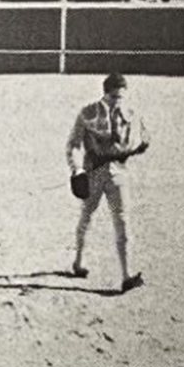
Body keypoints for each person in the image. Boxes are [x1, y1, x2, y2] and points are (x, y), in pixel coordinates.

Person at [66, 73, 150, 293]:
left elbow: (141, 138)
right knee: (86, 216)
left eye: (121, 97)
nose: (117, 102)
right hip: (93, 173)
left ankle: (126, 275)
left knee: (122, 221)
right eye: (113, 97)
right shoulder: (88, 113)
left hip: (118, 173)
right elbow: (74, 144)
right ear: (105, 95)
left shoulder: (132, 114)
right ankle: (78, 261)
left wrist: (140, 145)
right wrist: (77, 170)